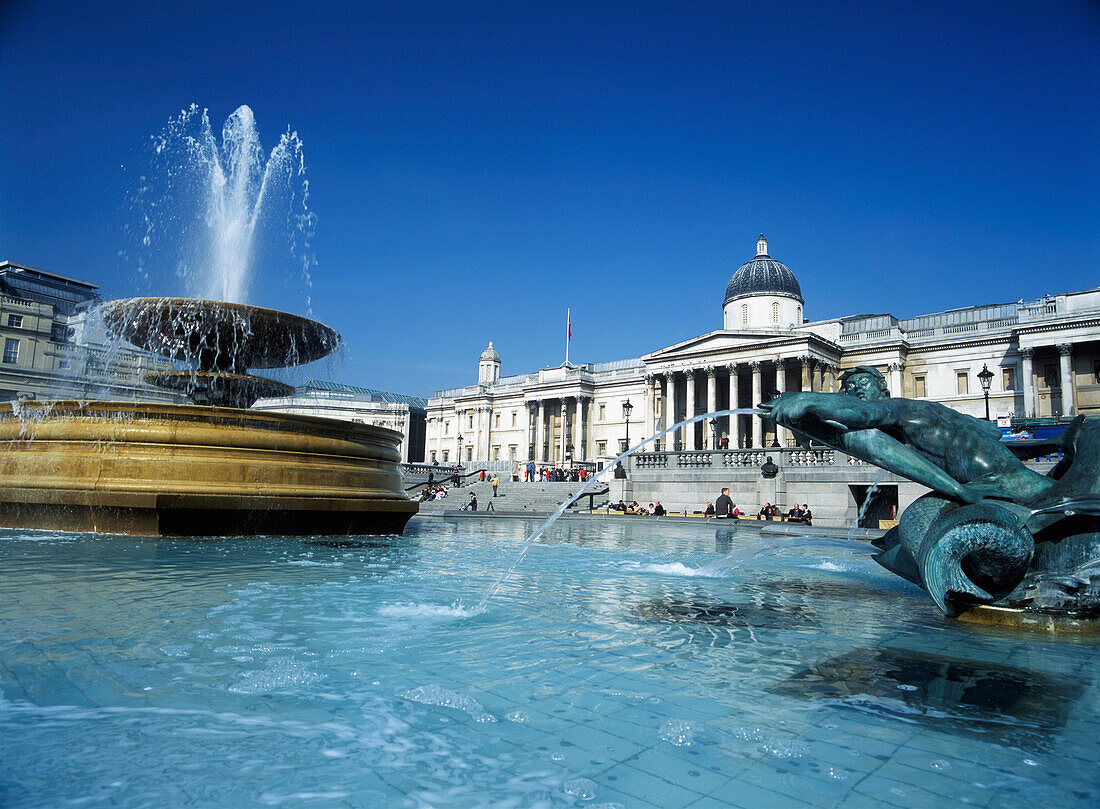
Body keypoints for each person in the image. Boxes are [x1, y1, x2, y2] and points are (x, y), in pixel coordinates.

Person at [761, 365, 1056, 505]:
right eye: (849, 390)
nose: (855, 392)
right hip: (1021, 485)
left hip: (1004, 488)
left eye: (862, 382)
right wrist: (1058, 444)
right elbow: (997, 443)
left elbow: (861, 417)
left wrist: (806, 400)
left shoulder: (896, 409)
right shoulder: (931, 412)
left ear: (883, 389)